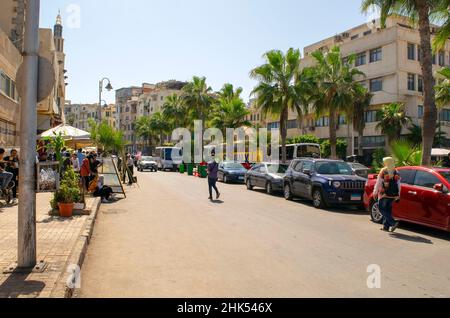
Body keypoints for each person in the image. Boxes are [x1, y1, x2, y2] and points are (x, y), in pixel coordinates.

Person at [373, 157, 401, 232]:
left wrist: (375, 192)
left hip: (384, 194)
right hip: (393, 195)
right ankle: (386, 227)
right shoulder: (396, 172)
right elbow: (398, 185)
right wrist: (398, 195)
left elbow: (378, 182)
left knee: (381, 209)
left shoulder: (383, 171)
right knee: (388, 210)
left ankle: (393, 222)